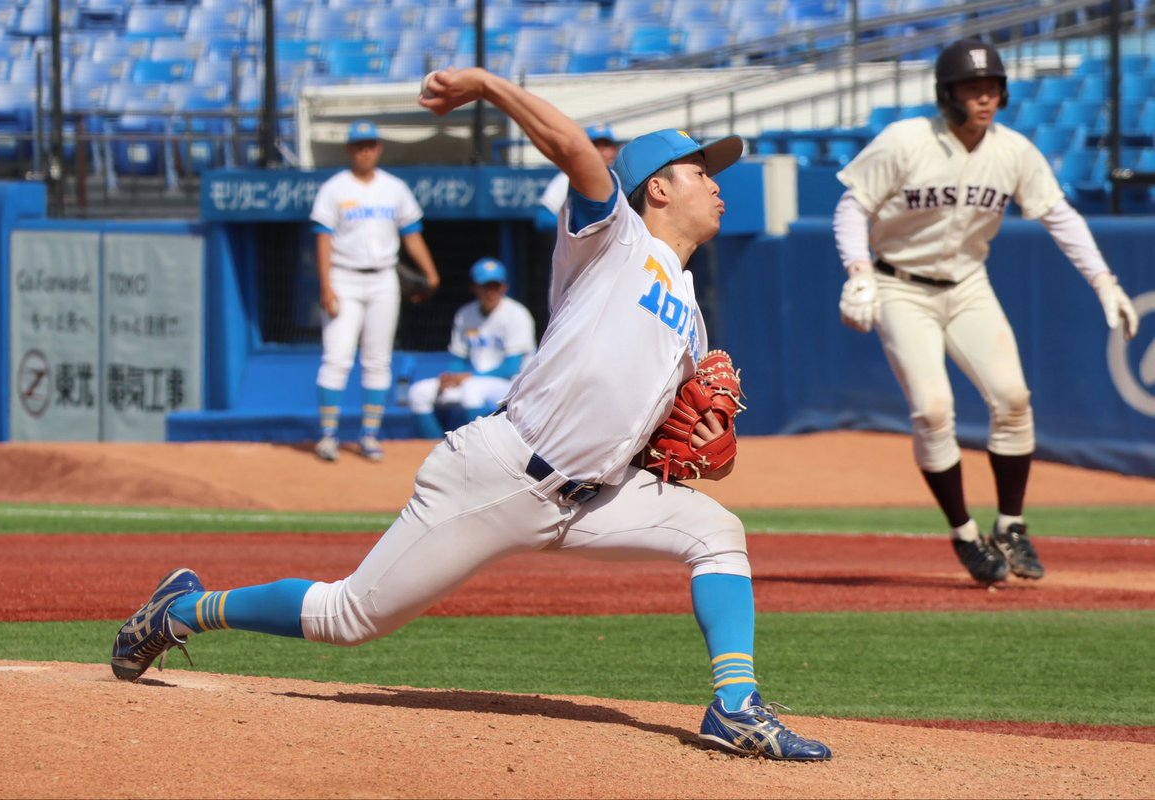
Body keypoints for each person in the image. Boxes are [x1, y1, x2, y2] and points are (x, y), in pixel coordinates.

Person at [110, 67, 832, 762]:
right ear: (657, 189)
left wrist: (710, 443)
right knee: (349, 617)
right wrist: (486, 85)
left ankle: (734, 706)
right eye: (699, 170)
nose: (715, 183)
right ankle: (182, 611)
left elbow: (669, 445)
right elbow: (575, 151)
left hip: (589, 500)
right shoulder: (613, 239)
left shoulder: (693, 324)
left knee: (715, 529)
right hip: (499, 471)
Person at [833, 38, 1140, 586]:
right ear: (947, 93)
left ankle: (1012, 525)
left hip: (969, 284)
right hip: (901, 286)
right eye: (973, 87)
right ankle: (965, 533)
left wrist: (1105, 281)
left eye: (993, 86)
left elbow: (1060, 217)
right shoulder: (906, 140)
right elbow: (853, 204)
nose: (986, 97)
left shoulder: (1014, 151)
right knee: (932, 410)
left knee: (1014, 399)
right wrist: (858, 271)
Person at [311, 119, 441, 464]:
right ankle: (328, 435)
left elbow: (411, 231)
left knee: (378, 360)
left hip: (384, 277)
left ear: (378, 148)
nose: (365, 151)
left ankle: (369, 434)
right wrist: (325, 285)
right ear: (350, 149)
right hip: (344, 277)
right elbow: (322, 239)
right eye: (359, 145)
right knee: (337, 356)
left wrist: (430, 272)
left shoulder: (394, 188)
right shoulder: (334, 188)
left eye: (370, 145)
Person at [406, 256, 536, 439]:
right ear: (474, 287)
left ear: (504, 287)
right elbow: (460, 359)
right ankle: (438, 448)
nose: (491, 292)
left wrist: (467, 377)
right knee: (418, 392)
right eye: (485, 286)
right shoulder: (465, 314)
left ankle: (476, 450)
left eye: (495, 286)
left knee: (471, 390)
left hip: (512, 385)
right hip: (475, 381)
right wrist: (450, 377)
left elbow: (512, 367)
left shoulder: (517, 314)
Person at [533, 123, 621, 231]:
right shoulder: (567, 177)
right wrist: (581, 228)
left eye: (606, 145)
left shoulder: (622, 177)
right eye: (595, 145)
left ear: (615, 150)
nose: (601, 151)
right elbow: (543, 219)